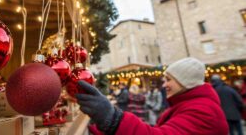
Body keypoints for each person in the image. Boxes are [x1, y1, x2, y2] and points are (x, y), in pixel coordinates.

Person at [76, 57, 228, 135]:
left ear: (185, 82)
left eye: (169, 80)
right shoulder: (190, 105)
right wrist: (103, 128)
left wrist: (113, 119)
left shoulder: (204, 111)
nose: (164, 85)